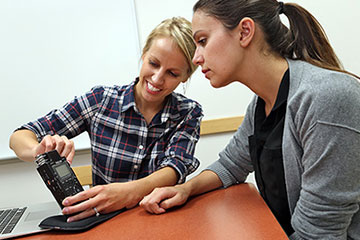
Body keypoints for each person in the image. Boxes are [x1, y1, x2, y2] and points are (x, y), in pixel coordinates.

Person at [139, 1, 360, 239]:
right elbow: (230, 165)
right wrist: (185, 189)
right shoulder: (260, 104)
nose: (196, 58)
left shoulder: (328, 97)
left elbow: (319, 233)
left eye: (202, 41)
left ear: (245, 32)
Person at [9, 16, 203, 223]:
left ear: (185, 77)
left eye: (172, 73)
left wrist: (127, 193)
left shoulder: (188, 112)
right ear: (144, 54)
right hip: (104, 223)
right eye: (153, 63)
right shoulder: (101, 100)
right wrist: (37, 150)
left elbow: (175, 168)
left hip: (160, 221)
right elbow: (20, 136)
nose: (157, 79)